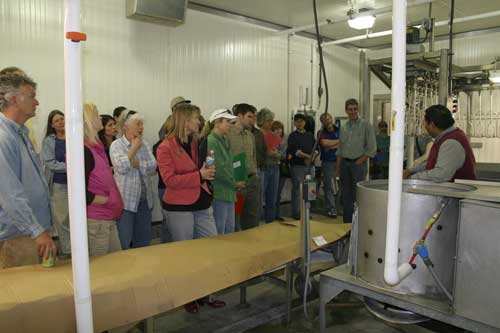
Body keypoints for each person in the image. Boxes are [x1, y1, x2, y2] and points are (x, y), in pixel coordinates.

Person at [157, 104, 224, 313]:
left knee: (209, 249)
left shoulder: (196, 143)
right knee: (186, 256)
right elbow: (169, 180)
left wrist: (206, 173)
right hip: (179, 207)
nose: (200, 121)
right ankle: (187, 296)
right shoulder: (165, 147)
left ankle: (207, 293)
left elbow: (199, 169)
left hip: (202, 203)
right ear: (185, 121)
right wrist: (199, 176)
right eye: (196, 118)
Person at [0, 72, 56, 268]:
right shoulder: (3, 138)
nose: (37, 102)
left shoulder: (21, 133)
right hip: (19, 237)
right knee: (24, 295)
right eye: (32, 95)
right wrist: (36, 231)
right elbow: (10, 194)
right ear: (14, 99)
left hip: (31, 233)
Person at [110, 111, 157, 249]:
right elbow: (121, 167)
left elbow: (153, 166)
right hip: (126, 202)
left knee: (143, 241)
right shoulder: (116, 145)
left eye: (142, 124)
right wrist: (134, 147)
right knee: (124, 241)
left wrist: (137, 164)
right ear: (125, 126)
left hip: (144, 201)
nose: (141, 127)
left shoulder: (146, 144)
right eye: (138, 124)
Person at [83, 103, 124, 256]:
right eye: (96, 114)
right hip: (97, 219)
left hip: (107, 216)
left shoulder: (95, 147)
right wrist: (106, 200)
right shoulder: (85, 150)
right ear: (87, 120)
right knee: (100, 268)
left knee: (116, 261)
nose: (100, 117)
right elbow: (79, 191)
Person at [404, 104, 476, 182]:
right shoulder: (444, 137)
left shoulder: (451, 143)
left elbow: (441, 175)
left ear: (432, 125)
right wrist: (410, 171)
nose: (424, 127)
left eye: (425, 124)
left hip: (455, 192)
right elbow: (432, 163)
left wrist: (411, 179)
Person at [336, 98, 376, 223]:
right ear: (346, 111)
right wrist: (337, 169)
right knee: (346, 195)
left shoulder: (366, 125)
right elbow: (340, 149)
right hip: (344, 164)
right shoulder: (344, 127)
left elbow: (372, 147)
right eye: (350, 109)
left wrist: (361, 160)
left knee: (358, 195)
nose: (352, 111)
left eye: (355, 109)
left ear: (358, 109)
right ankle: (347, 224)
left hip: (358, 165)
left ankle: (358, 223)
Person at [203, 109, 241, 234]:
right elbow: (216, 169)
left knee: (229, 230)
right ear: (217, 123)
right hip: (219, 193)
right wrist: (235, 183)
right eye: (227, 121)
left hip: (229, 192)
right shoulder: (211, 141)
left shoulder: (224, 140)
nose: (230, 124)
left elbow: (230, 164)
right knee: (220, 232)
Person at [41, 110, 71, 255]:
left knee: (77, 219)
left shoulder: (74, 136)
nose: (61, 122)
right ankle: (68, 250)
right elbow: (50, 163)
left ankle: (81, 249)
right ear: (52, 125)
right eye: (57, 120)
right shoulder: (49, 141)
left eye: (62, 119)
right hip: (59, 186)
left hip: (77, 185)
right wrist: (71, 168)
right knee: (63, 220)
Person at [227, 103, 260, 230]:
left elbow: (253, 157)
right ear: (239, 116)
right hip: (237, 183)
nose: (253, 120)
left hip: (252, 181)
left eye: (254, 117)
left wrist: (255, 175)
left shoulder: (250, 135)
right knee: (235, 219)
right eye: (250, 116)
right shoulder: (228, 134)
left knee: (252, 218)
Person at [287, 113, 317, 220]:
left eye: (301, 121)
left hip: (310, 167)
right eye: (297, 121)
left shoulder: (310, 135)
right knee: (298, 190)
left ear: (305, 122)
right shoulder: (292, 136)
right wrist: (308, 156)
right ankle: (297, 212)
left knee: (310, 190)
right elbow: (295, 151)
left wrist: (313, 157)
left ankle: (307, 211)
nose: (299, 123)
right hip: (298, 167)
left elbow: (316, 148)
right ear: (294, 123)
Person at [257, 108, 281, 223]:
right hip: (263, 168)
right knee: (260, 197)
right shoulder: (257, 134)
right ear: (261, 121)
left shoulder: (273, 135)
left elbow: (280, 151)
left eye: (272, 120)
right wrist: (268, 152)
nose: (271, 123)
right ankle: (259, 222)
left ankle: (270, 222)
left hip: (274, 167)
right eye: (268, 121)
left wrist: (277, 153)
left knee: (273, 197)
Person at [318, 113, 340, 218]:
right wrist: (338, 142)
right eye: (325, 119)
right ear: (322, 122)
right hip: (328, 162)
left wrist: (333, 144)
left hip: (341, 160)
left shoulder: (339, 130)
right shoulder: (320, 132)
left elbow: (344, 144)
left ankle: (340, 207)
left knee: (342, 185)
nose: (328, 121)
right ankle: (331, 209)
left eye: (329, 118)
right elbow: (324, 143)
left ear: (332, 118)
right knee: (329, 186)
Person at [272, 121, 288, 221]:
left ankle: (276, 213)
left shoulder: (285, 139)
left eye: (280, 128)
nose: (278, 131)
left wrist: (279, 154)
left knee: (278, 193)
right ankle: (271, 213)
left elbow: (285, 154)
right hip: (273, 166)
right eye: (276, 129)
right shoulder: (270, 138)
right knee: (272, 193)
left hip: (282, 167)